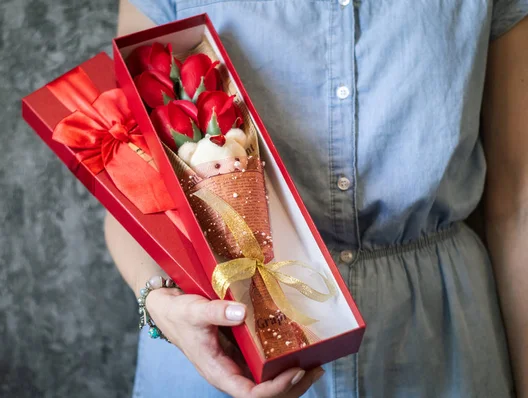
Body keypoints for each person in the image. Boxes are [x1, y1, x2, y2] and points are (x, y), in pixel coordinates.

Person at [105, 1, 528, 397]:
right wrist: (160, 301)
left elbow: (517, 206)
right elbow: (128, 185)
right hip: (226, 336)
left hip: (438, 345)